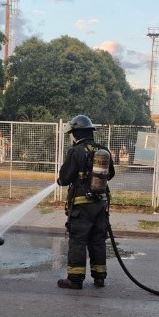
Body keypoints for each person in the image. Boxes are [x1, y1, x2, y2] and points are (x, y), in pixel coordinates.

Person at [57, 115, 115, 290]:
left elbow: (64, 178)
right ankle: (99, 278)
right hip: (101, 204)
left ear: (76, 133)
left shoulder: (76, 151)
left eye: (72, 133)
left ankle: (75, 279)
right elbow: (110, 174)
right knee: (97, 240)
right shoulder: (102, 150)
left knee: (78, 240)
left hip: (82, 206)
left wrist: (69, 178)